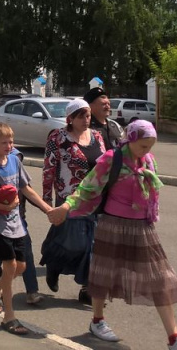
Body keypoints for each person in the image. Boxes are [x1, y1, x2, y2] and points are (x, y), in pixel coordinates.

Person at [48, 120, 177, 350]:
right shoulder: (112, 159)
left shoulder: (148, 160)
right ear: (130, 139)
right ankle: (97, 321)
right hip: (113, 225)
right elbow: (87, 187)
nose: (146, 150)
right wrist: (65, 207)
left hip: (142, 227)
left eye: (150, 146)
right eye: (143, 145)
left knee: (160, 279)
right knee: (103, 275)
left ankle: (174, 339)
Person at [0, 122, 52, 336]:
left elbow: (25, 188)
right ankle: (9, 317)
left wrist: (47, 208)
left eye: (11, 142)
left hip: (17, 223)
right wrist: (3, 207)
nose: (9, 146)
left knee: (21, 267)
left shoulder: (15, 161)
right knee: (10, 267)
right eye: (4, 142)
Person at [41, 98, 104, 304]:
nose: (86, 120)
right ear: (70, 118)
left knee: (93, 244)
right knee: (73, 243)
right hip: (68, 197)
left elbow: (104, 166)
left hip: (94, 198)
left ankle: (88, 289)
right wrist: (47, 201)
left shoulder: (96, 136)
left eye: (88, 116)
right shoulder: (58, 137)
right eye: (81, 116)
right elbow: (49, 168)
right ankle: (54, 264)